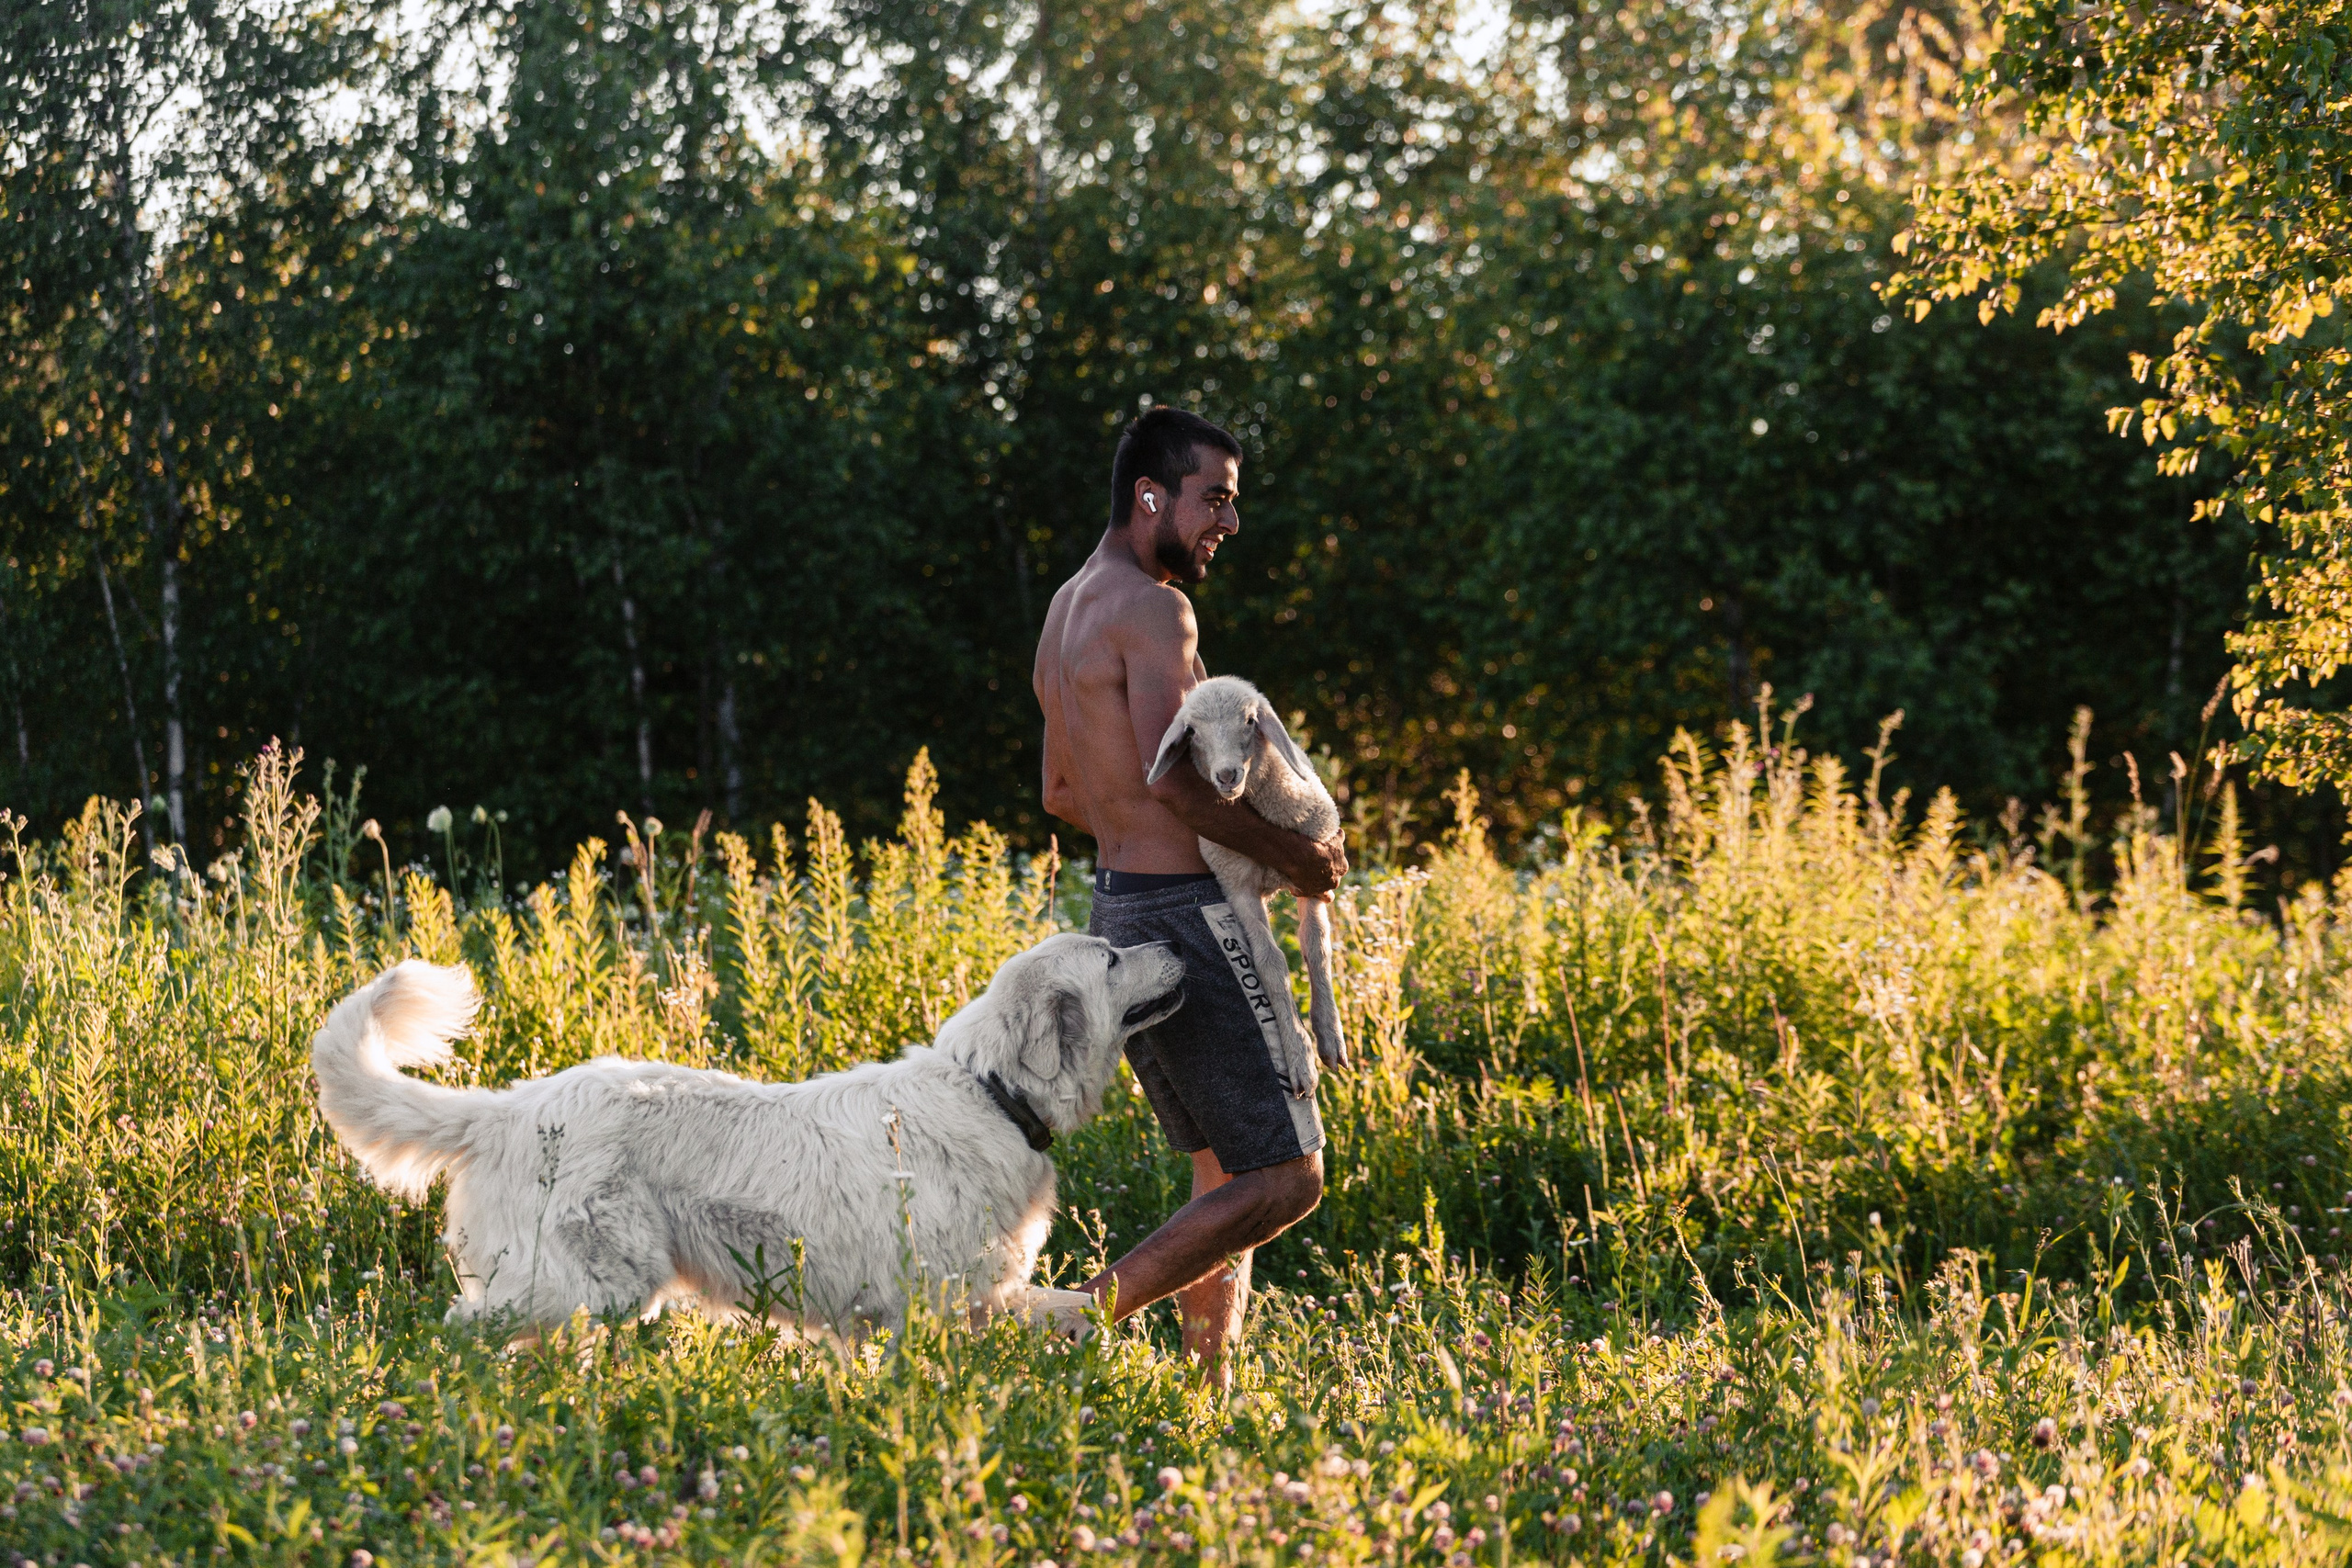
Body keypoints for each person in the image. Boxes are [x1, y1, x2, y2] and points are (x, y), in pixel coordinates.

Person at [1031, 405, 1350, 1382]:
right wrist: (1292, 860)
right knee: (1288, 1176)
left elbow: (1060, 792)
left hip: (1120, 913)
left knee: (1222, 1171)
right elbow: (1181, 776)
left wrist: (1149, 846)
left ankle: (1206, 1397)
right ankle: (1078, 1316)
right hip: (1187, 919)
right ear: (1150, 496)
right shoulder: (1156, 610)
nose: (1229, 522)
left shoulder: (1067, 607)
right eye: (1215, 498)